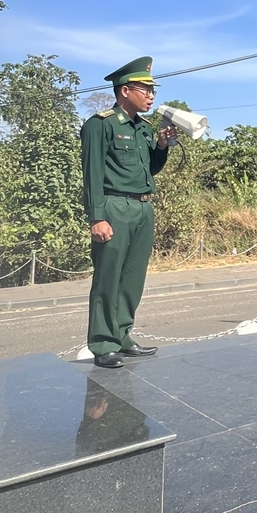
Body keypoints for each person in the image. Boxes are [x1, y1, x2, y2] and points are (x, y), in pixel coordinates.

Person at [81, 57, 176, 368]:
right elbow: (93, 172)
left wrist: (161, 147)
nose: (151, 96)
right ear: (124, 91)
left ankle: (123, 336)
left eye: (152, 91)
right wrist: (97, 217)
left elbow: (151, 169)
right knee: (108, 278)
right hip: (114, 207)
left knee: (133, 278)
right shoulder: (101, 124)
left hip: (142, 207)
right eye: (145, 89)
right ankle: (103, 343)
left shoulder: (142, 128)